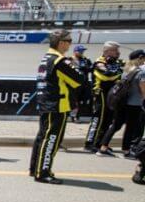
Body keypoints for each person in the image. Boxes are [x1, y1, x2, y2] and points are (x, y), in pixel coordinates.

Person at [29, 30, 86, 184]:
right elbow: (78, 80)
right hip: (57, 105)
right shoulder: (59, 60)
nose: (70, 43)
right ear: (61, 43)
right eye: (69, 40)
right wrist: (75, 65)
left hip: (47, 103)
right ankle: (43, 172)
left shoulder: (47, 57)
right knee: (51, 139)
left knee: (42, 137)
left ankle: (35, 168)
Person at [96, 49, 145, 158]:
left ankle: (102, 148)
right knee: (130, 128)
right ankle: (126, 151)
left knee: (115, 125)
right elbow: (143, 90)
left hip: (122, 102)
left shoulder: (127, 69)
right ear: (140, 58)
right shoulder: (140, 72)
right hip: (134, 104)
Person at [85, 41, 124, 152]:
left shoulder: (117, 62)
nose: (118, 52)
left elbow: (130, 67)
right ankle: (89, 143)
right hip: (100, 94)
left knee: (108, 120)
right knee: (98, 119)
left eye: (118, 50)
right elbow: (107, 76)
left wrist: (120, 70)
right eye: (115, 50)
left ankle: (100, 143)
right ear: (107, 51)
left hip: (112, 95)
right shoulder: (99, 63)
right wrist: (120, 71)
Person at [69, 45, 92, 122]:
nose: (82, 52)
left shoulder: (86, 59)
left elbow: (91, 68)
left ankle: (78, 116)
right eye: (80, 51)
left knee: (82, 100)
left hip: (84, 83)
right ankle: (73, 116)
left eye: (83, 51)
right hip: (74, 83)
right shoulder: (70, 59)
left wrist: (87, 68)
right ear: (75, 51)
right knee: (74, 100)